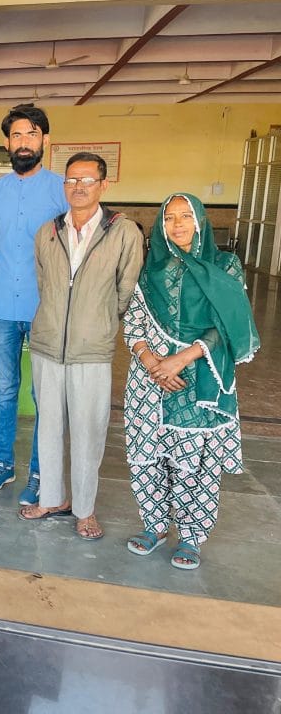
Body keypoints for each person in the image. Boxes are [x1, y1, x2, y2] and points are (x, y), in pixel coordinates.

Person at [123, 193, 259, 570]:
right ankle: (154, 525)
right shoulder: (151, 268)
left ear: (199, 221)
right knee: (147, 453)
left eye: (186, 216)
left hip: (199, 375)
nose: (178, 224)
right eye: (169, 218)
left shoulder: (225, 266)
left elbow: (228, 324)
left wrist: (180, 360)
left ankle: (190, 535)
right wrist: (152, 362)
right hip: (149, 380)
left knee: (194, 461)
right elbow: (134, 322)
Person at [19, 152, 144, 541]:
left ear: (103, 185)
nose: (78, 187)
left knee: (89, 430)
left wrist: (98, 321)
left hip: (92, 348)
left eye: (87, 180)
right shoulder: (48, 231)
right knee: (49, 426)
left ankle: (85, 509)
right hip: (47, 343)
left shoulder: (123, 232)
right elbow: (45, 284)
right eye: (72, 179)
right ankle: (52, 498)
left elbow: (126, 290)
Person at [0, 104, 67, 504]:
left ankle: (38, 472)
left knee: (44, 393)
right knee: (6, 389)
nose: (24, 142)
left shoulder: (61, 189)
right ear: (7, 142)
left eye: (31, 134)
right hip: (1, 307)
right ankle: (3, 464)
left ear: (45, 140)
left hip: (45, 307)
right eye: (17, 135)